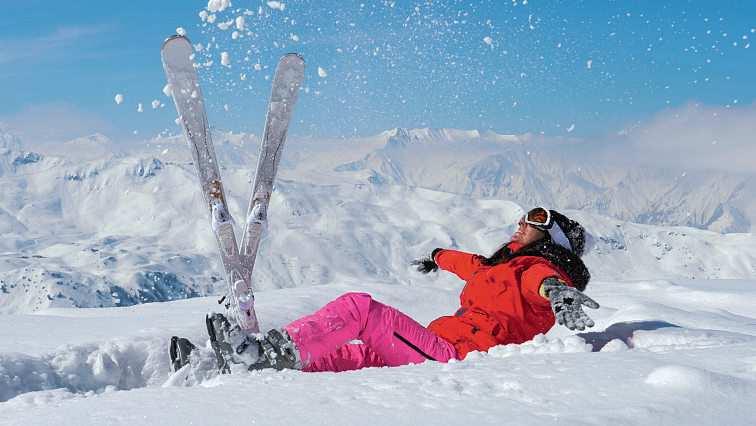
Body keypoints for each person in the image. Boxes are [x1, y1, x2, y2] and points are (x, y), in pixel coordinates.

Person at [171, 207, 599, 373]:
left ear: (552, 238)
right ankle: (224, 367)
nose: (521, 222)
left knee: (362, 310)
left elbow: (542, 284)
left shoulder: (538, 268)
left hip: (457, 358)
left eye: (534, 221)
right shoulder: (498, 266)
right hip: (440, 342)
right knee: (348, 354)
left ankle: (264, 354)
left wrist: (559, 295)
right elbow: (470, 265)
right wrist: (437, 255)